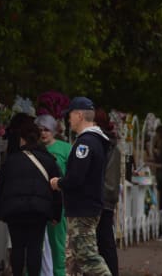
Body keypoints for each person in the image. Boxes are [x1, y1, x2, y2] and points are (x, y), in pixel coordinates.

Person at [50, 96, 112, 276]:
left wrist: (58, 183)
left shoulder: (85, 143)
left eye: (69, 115)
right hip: (86, 207)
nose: (68, 119)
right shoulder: (96, 140)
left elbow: (76, 178)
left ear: (78, 115)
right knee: (74, 260)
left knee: (87, 257)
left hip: (82, 209)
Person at [0, 116, 62, 276]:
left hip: (14, 210)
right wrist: (56, 214)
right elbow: (56, 188)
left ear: (21, 139)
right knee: (35, 247)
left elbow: (1, 188)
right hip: (39, 210)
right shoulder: (49, 161)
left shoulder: (11, 160)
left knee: (17, 247)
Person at [35, 114, 71, 276]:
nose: (43, 133)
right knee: (34, 243)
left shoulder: (66, 149)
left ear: (54, 131)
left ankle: (59, 273)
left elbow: (72, 176)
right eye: (40, 130)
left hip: (58, 202)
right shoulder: (33, 148)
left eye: (47, 130)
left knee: (58, 243)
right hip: (36, 202)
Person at [93, 108, 121, 276]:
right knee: (104, 242)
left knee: (103, 241)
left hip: (101, 198)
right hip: (105, 198)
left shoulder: (105, 145)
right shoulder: (108, 144)